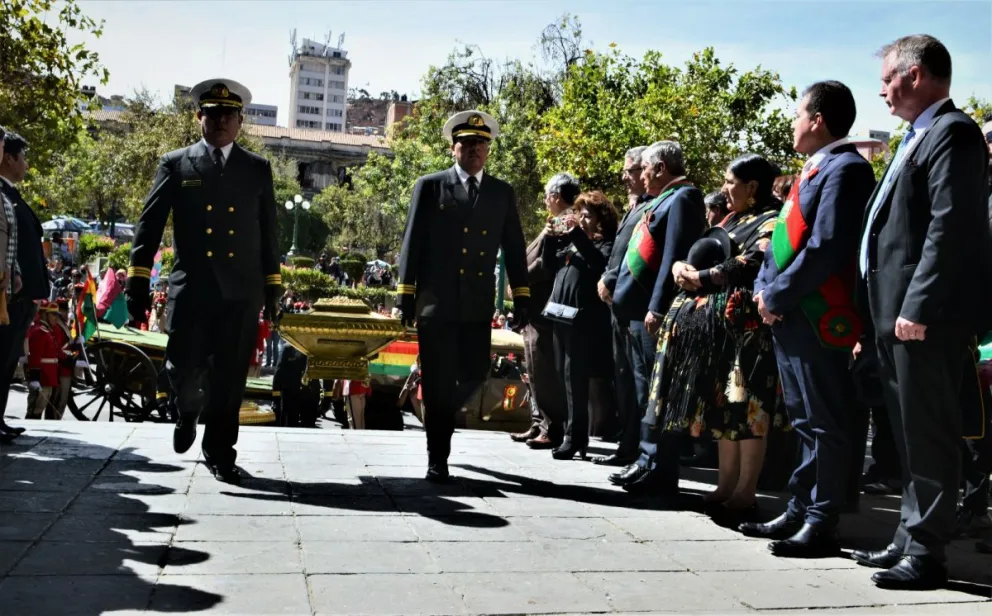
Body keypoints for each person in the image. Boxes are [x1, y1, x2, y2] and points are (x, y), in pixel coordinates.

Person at [854, 35, 992, 590]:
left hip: (922, 317)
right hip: (893, 315)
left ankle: (928, 552)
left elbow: (949, 226)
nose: (882, 89)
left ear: (914, 76)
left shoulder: (952, 132)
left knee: (930, 432)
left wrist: (919, 303)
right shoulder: (919, 136)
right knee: (910, 433)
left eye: (887, 78)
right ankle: (909, 537)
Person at [743, 81, 877, 557]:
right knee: (804, 418)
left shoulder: (846, 169)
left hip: (820, 316)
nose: (794, 123)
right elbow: (784, 241)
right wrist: (765, 289)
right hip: (791, 313)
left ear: (817, 119)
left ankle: (823, 519)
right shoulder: (815, 168)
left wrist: (776, 294)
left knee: (826, 419)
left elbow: (826, 248)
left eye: (798, 114)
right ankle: (800, 507)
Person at [125, 78, 281, 485]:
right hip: (192, 288)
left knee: (230, 378)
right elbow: (150, 224)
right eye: (212, 114)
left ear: (241, 122)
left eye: (229, 115)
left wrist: (273, 287)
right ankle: (187, 409)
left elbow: (269, 233)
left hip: (240, 292)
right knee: (183, 368)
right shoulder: (176, 163)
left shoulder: (256, 168)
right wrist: (138, 281)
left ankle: (220, 452)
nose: (220, 121)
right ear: (199, 118)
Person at [639, 155, 783, 525]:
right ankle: (725, 485)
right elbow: (705, 247)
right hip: (718, 332)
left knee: (749, 409)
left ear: (752, 187)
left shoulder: (772, 219)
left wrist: (701, 277)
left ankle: (746, 491)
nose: (724, 189)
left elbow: (751, 261)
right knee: (725, 408)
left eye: (731, 182)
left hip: (748, 332)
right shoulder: (731, 218)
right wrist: (680, 266)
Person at [396, 109, 531, 482]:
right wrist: (405, 296)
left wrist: (521, 295)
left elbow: (515, 247)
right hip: (436, 303)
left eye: (481, 144)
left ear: (488, 151)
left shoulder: (501, 193)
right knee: (439, 381)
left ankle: (441, 416)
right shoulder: (431, 185)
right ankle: (437, 458)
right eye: (467, 144)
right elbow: (413, 243)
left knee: (474, 372)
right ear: (453, 149)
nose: (474, 150)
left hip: (475, 304)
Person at [608, 141, 706, 498]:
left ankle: (660, 468)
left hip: (653, 314)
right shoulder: (662, 200)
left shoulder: (684, 198)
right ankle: (646, 461)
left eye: (645, 169)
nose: (642, 175)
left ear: (661, 167)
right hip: (636, 313)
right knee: (643, 390)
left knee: (658, 393)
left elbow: (673, 256)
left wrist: (658, 305)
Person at [541, 190, 617, 460]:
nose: (582, 220)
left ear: (601, 219)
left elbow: (597, 264)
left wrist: (575, 234)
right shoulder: (574, 242)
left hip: (582, 321)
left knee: (576, 381)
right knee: (563, 377)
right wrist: (551, 239)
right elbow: (549, 264)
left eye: (587, 216)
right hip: (560, 316)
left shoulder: (606, 244)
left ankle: (575, 439)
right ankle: (573, 435)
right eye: (580, 215)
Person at [594, 146, 653, 467]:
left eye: (629, 171)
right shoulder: (634, 208)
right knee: (624, 381)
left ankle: (639, 450)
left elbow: (639, 255)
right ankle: (627, 445)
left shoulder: (653, 208)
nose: (624, 177)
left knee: (638, 383)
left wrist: (612, 278)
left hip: (636, 306)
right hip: (618, 306)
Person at [510, 173, 575, 449]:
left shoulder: (566, 222)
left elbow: (548, 265)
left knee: (544, 368)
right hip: (534, 308)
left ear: (556, 197)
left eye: (548, 195)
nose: (546, 200)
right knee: (534, 368)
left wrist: (521, 278)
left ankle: (552, 425)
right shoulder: (555, 221)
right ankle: (539, 422)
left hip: (545, 306)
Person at [0, 130, 46, 441]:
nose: (26, 165)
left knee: (6, 361)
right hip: (10, 296)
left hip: (20, 296)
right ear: (8, 157)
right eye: (23, 157)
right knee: (2, 358)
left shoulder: (11, 195)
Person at [25, 301, 59, 420]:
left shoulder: (47, 331)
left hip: (48, 376)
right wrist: (34, 377)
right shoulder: (39, 331)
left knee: (40, 408)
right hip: (41, 376)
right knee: (35, 409)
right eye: (53, 314)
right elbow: (34, 356)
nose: (56, 318)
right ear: (44, 314)